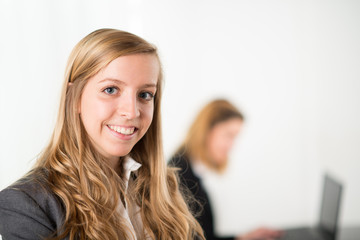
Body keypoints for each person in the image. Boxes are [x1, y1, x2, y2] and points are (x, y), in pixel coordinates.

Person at [0, 29, 204, 240]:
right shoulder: (27, 205)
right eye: (111, 90)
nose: (132, 112)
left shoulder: (164, 190)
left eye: (144, 95)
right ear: (74, 97)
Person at [169, 99, 282, 240]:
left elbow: (204, 237)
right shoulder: (178, 178)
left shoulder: (189, 170)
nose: (231, 145)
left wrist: (242, 238)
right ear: (206, 131)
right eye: (229, 135)